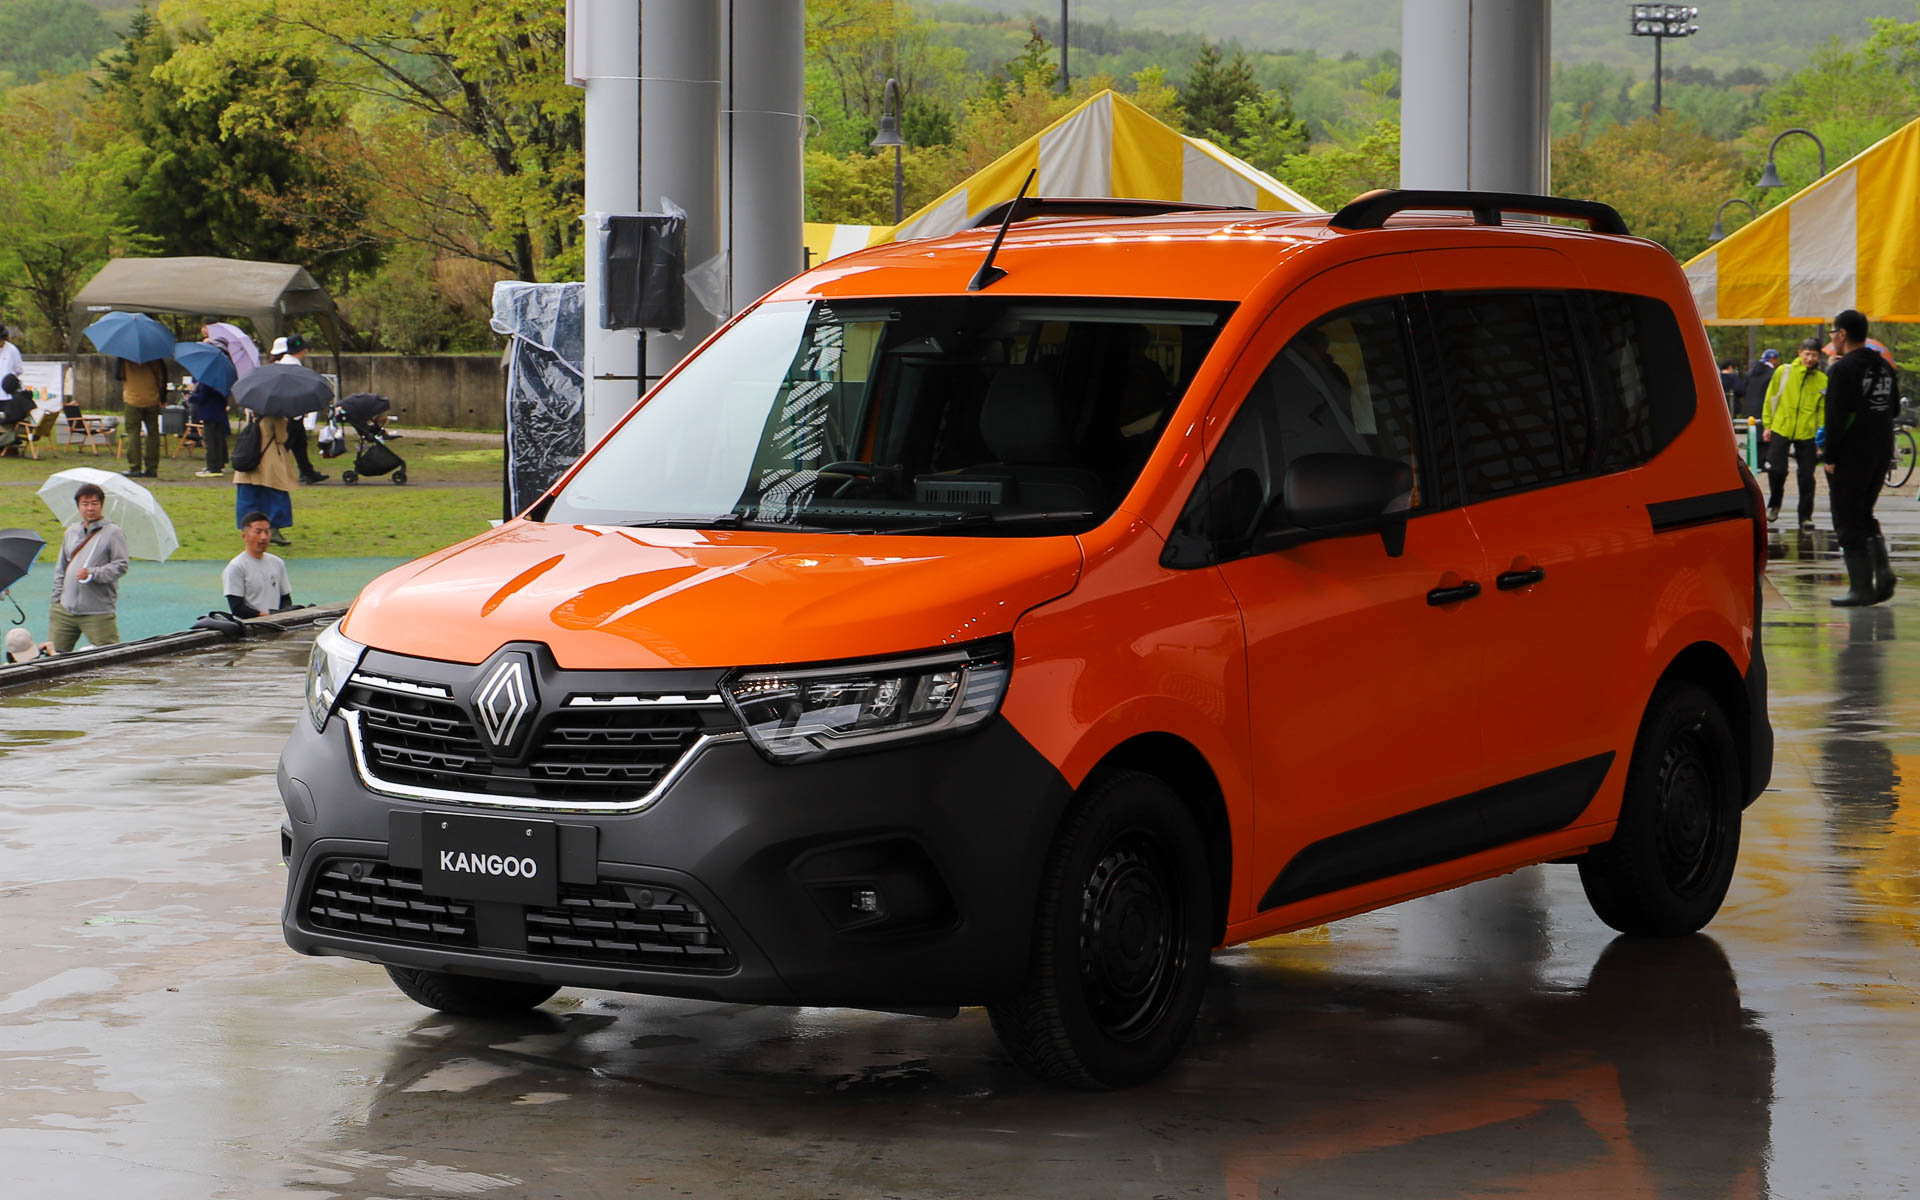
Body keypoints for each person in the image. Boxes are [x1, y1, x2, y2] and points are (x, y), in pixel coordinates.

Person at [1822, 309, 1901, 606]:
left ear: (1842, 334)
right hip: (1881, 449)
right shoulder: (1882, 366)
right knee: (1864, 511)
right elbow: (1892, 409)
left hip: (1852, 454)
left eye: (1833, 332)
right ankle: (1882, 571)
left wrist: (1829, 455)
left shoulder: (1843, 369)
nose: (1831, 338)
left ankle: (1861, 588)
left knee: (1847, 516)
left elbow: (1835, 416)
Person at [48, 481, 130, 651]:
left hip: (97, 611)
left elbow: (121, 565)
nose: (90, 508)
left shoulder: (113, 532)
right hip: (64, 610)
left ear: (101, 505)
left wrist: (93, 573)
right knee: (54, 658)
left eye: (95, 503)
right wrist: (56, 600)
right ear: (78, 506)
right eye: (85, 504)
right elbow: (61, 567)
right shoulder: (71, 531)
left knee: (111, 659)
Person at [1760, 338, 1827, 530]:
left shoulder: (1822, 380)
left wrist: (1820, 436)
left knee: (1807, 475)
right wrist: (1768, 425)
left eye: (1814, 355)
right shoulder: (1784, 372)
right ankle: (1774, 503)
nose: (1810, 358)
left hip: (1807, 433)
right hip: (1782, 427)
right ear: (1800, 353)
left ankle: (1805, 516)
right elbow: (1771, 398)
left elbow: (1822, 410)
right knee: (1777, 470)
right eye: (1807, 354)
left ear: (1818, 357)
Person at [233, 409, 299, 547]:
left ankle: (249, 529)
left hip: (249, 461)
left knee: (248, 498)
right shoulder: (276, 416)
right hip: (269, 463)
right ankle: (273, 529)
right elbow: (282, 438)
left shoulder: (251, 413)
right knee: (276, 496)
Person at [272, 334, 328, 485]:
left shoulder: (283, 363)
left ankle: (307, 472)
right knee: (286, 444)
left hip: (291, 412)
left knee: (299, 444)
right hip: (292, 413)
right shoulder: (294, 367)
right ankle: (274, 473)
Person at [223, 512, 294, 617]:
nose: (264, 537)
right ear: (244, 536)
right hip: (250, 627)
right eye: (258, 532)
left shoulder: (277, 563)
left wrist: (281, 616)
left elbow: (285, 598)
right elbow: (237, 608)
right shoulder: (236, 567)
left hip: (277, 623)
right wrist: (266, 617)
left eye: (267, 532)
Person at [118, 356, 167, 478]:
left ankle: (135, 467)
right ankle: (152, 468)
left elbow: (118, 375)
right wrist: (163, 398)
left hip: (132, 399)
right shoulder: (156, 356)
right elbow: (162, 378)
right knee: (153, 434)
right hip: (152, 398)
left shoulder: (124, 356)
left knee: (133, 433)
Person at [187, 376, 232, 478]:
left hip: (209, 414)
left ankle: (212, 467)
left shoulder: (206, 381)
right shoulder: (222, 381)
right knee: (218, 440)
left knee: (210, 441)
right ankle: (219, 465)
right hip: (220, 414)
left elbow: (202, 397)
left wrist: (191, 397)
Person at [1742, 349, 1779, 419]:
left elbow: (1744, 389)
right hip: (1764, 412)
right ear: (1773, 359)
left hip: (1749, 411)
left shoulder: (1751, 373)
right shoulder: (1773, 374)